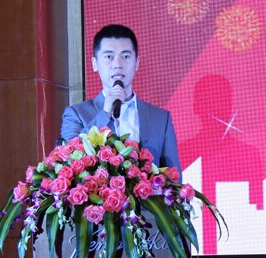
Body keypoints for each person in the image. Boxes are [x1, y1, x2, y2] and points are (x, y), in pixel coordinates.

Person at [60, 24, 180, 171]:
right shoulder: (75, 115)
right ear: (95, 64)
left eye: (125, 56)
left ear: (137, 63)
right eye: (109, 57)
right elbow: (69, 162)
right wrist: (105, 113)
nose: (117, 64)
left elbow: (173, 178)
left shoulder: (161, 119)